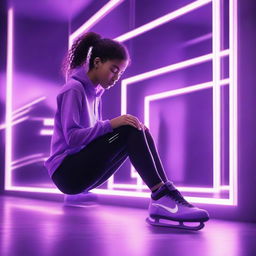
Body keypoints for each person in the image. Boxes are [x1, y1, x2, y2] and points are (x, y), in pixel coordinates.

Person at [44, 32, 209, 231]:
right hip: (66, 172)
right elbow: (72, 139)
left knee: (138, 129)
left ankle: (165, 194)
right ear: (97, 62)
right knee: (128, 130)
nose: (116, 78)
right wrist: (111, 125)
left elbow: (92, 139)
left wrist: (127, 131)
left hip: (79, 168)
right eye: (113, 70)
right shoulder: (74, 89)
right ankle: (161, 196)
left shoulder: (96, 93)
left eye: (120, 73)